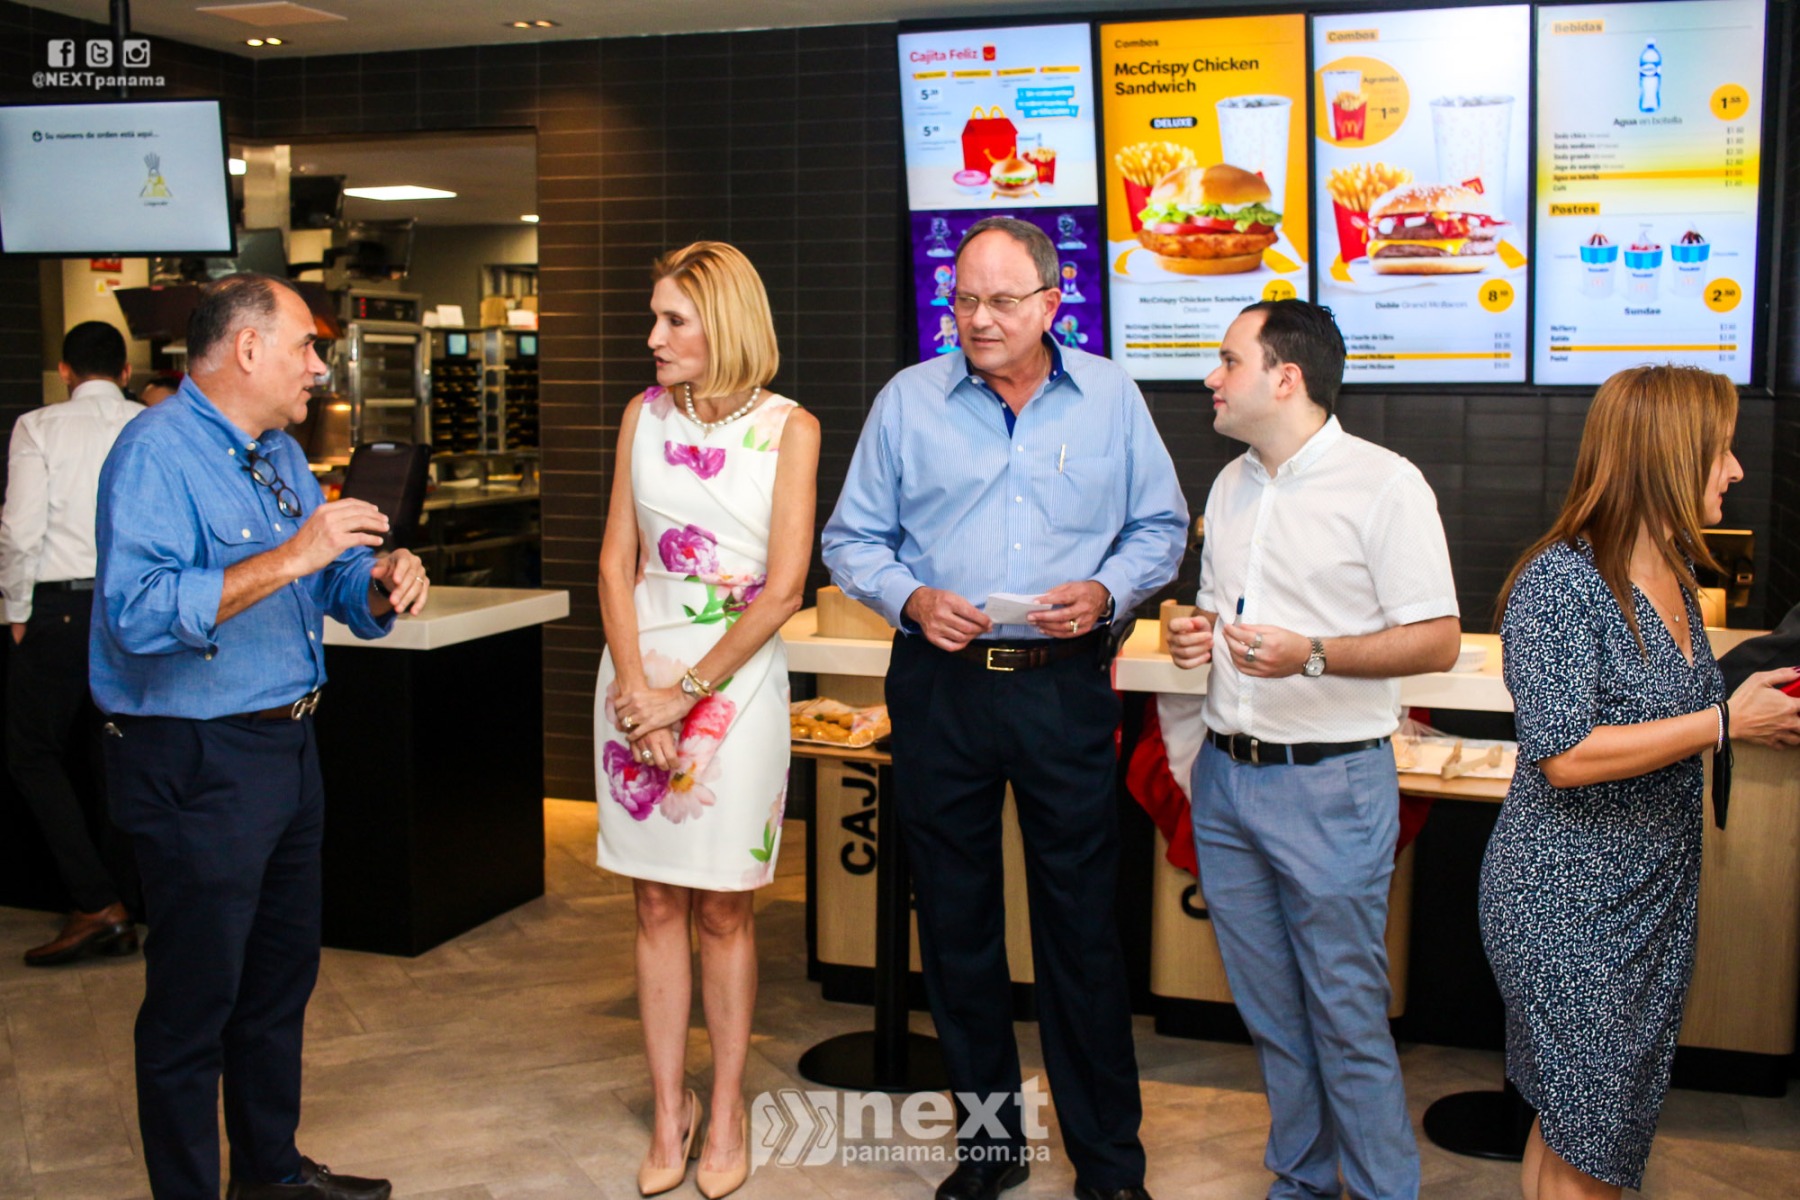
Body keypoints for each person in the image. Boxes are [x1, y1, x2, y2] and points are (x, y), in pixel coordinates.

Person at [824, 216, 1186, 1200]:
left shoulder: (1110, 397)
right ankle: (989, 1152)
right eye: (965, 300)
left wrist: (1108, 590)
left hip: (1064, 689)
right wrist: (909, 597)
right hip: (940, 688)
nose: (979, 319)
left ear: (1051, 303)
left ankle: (1108, 1164)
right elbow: (850, 539)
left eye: (1002, 300)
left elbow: (1161, 525)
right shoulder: (908, 401)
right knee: (956, 925)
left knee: (1081, 930)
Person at [91, 273, 428, 1200]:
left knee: (279, 982)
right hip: (195, 760)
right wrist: (295, 554)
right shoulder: (153, 453)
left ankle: (271, 1174)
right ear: (247, 349)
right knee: (193, 1003)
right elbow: (137, 614)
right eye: (306, 347)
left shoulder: (277, 453)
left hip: (286, 751)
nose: (319, 367)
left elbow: (325, 581)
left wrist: (375, 581)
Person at [1478, 365, 1800, 1200]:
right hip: (1567, 903)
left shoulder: (1676, 576)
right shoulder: (1560, 583)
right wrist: (1724, 723)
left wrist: (1745, 704)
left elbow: (1668, 709)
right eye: (1721, 451)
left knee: (1577, 1131)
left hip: (1650, 895)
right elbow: (1564, 754)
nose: (1735, 470)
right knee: (1592, 1145)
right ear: (1668, 456)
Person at [1167, 299, 1460, 1200]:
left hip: (1332, 786)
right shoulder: (1230, 484)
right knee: (1271, 1016)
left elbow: (1439, 639)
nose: (1211, 379)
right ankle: (1299, 1182)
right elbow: (1219, 612)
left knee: (1345, 1018)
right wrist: (1193, 634)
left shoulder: (1385, 485)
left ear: (1285, 378)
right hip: (1227, 779)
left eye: (1228, 361)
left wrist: (1316, 654)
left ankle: (1380, 1191)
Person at [593, 241, 818, 1200]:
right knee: (654, 902)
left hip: (739, 679)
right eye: (656, 317)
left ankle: (725, 1108)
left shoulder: (791, 428)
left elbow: (785, 589)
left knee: (724, 904)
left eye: (673, 319)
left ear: (723, 324)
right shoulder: (640, 416)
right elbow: (615, 562)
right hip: (636, 671)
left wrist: (685, 695)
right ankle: (668, 1106)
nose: (653, 336)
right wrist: (636, 689)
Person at [0, 320, 144, 965]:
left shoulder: (39, 426)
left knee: (31, 755)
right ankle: (130, 901)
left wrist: (16, 607)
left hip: (62, 611)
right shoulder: (151, 424)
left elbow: (19, 528)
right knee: (118, 758)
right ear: (125, 373)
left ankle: (97, 903)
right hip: (136, 611)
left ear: (64, 371)